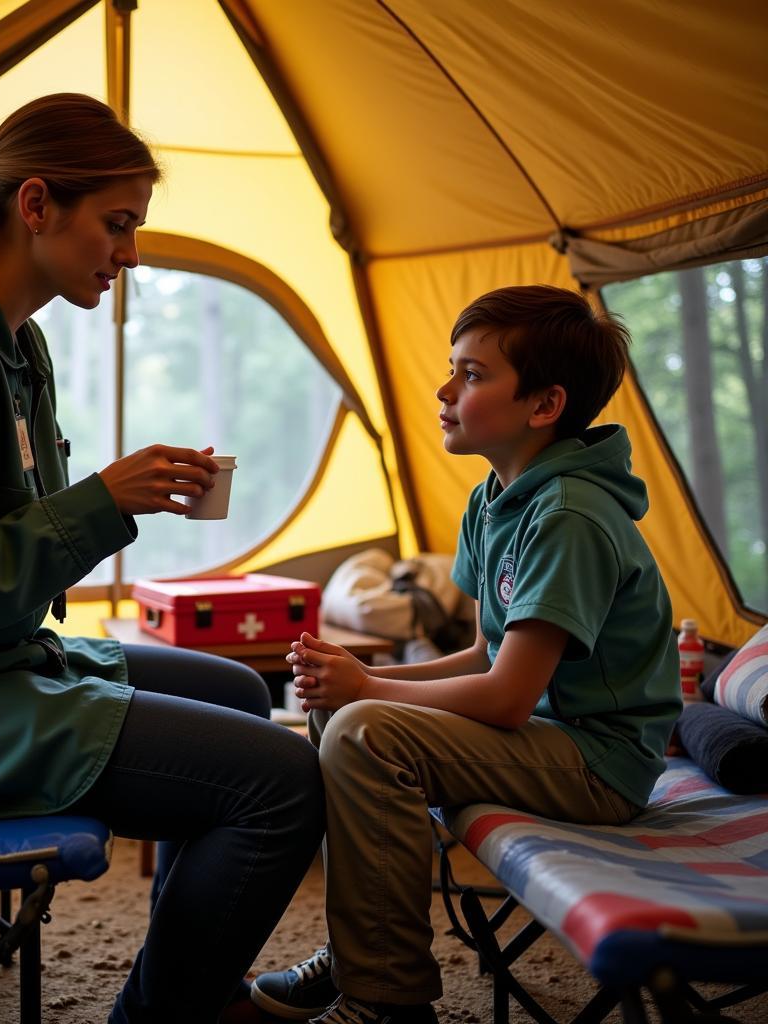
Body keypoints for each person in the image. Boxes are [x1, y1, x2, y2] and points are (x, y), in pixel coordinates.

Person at [0, 93, 325, 1024]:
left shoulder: (16, 343)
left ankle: (190, 985)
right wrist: (99, 503)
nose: (129, 253)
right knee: (277, 784)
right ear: (36, 205)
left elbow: (7, 539)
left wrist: (101, 505)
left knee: (242, 696)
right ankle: (168, 1014)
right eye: (116, 225)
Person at [251, 285, 681, 1024]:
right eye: (452, 368)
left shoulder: (570, 516)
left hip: (598, 761)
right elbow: (483, 653)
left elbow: (507, 696)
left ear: (544, 406)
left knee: (362, 731)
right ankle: (362, 956)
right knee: (341, 714)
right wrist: (358, 681)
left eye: (473, 375)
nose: (445, 390)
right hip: (542, 736)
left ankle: (388, 999)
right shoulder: (495, 499)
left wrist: (368, 691)